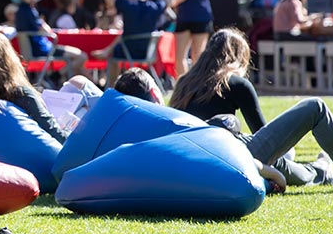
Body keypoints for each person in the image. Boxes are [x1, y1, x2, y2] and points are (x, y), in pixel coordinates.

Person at [169, 28, 333, 190]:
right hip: (233, 152)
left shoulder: (184, 83)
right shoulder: (234, 83)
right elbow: (263, 134)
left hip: (200, 159)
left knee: (296, 169)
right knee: (315, 107)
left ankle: (322, 167)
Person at [114, 65, 286, 192]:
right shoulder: (169, 125)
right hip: (226, 167)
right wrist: (270, 173)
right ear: (153, 92)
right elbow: (222, 156)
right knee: (226, 122)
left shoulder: (119, 132)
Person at [98, 0, 178, 84]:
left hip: (127, 51)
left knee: (113, 54)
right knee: (116, 47)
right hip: (148, 52)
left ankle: (112, 86)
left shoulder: (128, 6)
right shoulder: (154, 7)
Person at [15, 0, 87, 79]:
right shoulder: (29, 12)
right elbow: (46, 30)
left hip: (41, 49)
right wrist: (43, 23)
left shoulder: (22, 11)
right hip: (43, 50)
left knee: (79, 63)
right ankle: (56, 76)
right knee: (81, 56)